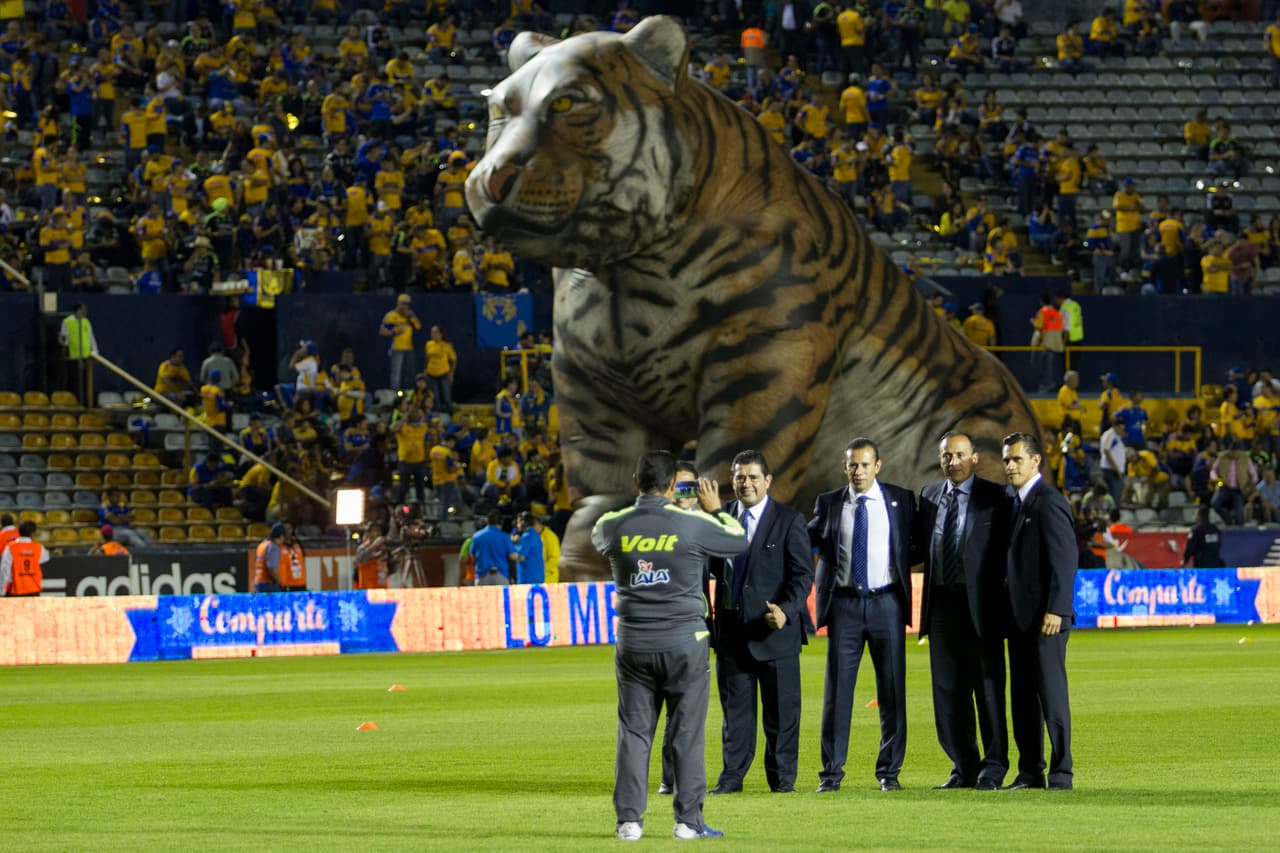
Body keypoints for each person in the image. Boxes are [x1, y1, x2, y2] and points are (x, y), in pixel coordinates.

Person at [592, 450, 746, 842]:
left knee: (634, 733)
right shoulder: (692, 523)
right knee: (687, 733)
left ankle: (629, 822)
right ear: (672, 485)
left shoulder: (612, 525)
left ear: (635, 481)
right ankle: (687, 823)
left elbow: (598, 540)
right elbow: (737, 540)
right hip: (684, 642)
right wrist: (714, 510)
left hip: (634, 642)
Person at [811, 438, 917, 793]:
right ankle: (831, 774)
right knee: (837, 694)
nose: (858, 471)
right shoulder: (828, 504)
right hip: (844, 606)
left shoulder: (900, 501)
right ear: (845, 467)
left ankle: (889, 773)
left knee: (892, 692)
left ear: (878, 465)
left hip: (887, 603)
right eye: (852, 465)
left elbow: (913, 545)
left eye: (865, 464)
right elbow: (805, 541)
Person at [707, 450, 813, 795]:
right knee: (734, 716)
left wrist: (786, 610)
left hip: (774, 632)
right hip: (731, 635)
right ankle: (731, 778)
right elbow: (707, 568)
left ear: (768, 481)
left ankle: (782, 782)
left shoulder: (789, 520)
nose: (746, 483)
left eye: (753, 477)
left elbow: (802, 575)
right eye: (740, 477)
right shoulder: (719, 517)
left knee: (782, 716)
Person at [918, 433, 1011, 790]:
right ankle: (963, 766)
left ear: (975, 458)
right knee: (947, 691)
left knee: (987, 689)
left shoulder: (996, 497)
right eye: (946, 456)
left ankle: (994, 766)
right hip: (941, 605)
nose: (952, 461)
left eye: (959, 455)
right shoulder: (928, 497)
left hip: (982, 609)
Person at [1000, 432, 1075, 791]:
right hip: (1018, 618)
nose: (1010, 465)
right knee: (1023, 698)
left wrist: (1057, 609)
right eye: (1006, 460)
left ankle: (1062, 773)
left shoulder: (1049, 501)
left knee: (1051, 695)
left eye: (1016, 459)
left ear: (1035, 462)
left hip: (1046, 619)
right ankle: (1030, 772)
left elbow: (1065, 561)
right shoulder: (1011, 502)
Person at [57, 302, 98, 405]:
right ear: (78, 310)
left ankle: (87, 404)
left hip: (86, 357)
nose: (85, 311)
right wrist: (62, 340)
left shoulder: (86, 322)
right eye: (84, 309)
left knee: (87, 382)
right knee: (74, 382)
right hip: (74, 358)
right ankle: (75, 403)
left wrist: (95, 353)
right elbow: (64, 340)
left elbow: (91, 337)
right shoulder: (67, 322)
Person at [380, 293, 420, 390]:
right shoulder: (391, 316)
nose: (406, 306)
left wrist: (411, 317)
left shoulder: (410, 315)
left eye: (408, 304)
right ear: (399, 304)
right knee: (396, 375)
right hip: (396, 348)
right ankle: (395, 397)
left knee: (410, 373)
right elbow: (382, 331)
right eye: (404, 304)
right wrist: (396, 331)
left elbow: (418, 327)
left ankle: (409, 396)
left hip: (409, 348)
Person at [1, 521, 49, 596]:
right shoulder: (39, 548)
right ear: (33, 533)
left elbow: (5, 570)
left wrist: (2, 590)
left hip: (16, 589)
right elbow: (45, 558)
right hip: (33, 589)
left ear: (18, 532)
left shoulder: (10, 548)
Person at [471, 511, 518, 585]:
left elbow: (472, 556)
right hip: (501, 574)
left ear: (487, 521)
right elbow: (512, 556)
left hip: (482, 575)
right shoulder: (504, 536)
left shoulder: (476, 536)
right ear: (501, 522)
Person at [424, 325, 457, 414]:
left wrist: (451, 373)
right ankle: (437, 418)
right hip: (431, 375)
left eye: (435, 332)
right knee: (435, 398)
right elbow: (427, 358)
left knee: (446, 397)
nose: (433, 334)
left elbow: (453, 360)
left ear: (441, 334)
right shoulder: (428, 344)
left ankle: (452, 415)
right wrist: (426, 370)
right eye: (432, 332)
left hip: (444, 374)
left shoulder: (447, 346)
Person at [252, 523, 286, 592]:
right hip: (268, 585)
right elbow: (272, 568)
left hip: (258, 583)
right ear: (281, 536)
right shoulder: (273, 547)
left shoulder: (262, 545)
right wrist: (279, 582)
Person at [514, 511, 544, 584]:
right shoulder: (537, 535)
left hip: (527, 579)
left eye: (518, 523)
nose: (517, 526)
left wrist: (511, 546)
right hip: (538, 577)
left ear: (523, 523)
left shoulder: (526, 537)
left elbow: (521, 557)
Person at [280, 523, 306, 591]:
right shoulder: (278, 546)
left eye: (289, 529)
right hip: (286, 583)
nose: (287, 531)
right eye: (285, 529)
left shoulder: (297, 543)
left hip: (300, 582)